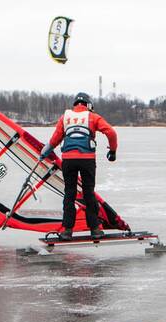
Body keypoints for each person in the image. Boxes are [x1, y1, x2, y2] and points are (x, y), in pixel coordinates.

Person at [40, 92, 118, 240]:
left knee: (69, 194)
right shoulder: (93, 117)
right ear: (88, 105)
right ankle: (95, 229)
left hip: (68, 160)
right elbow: (111, 132)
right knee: (88, 192)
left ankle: (67, 231)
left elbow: (54, 140)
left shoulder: (65, 118)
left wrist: (44, 153)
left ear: (75, 104)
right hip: (87, 160)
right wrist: (112, 151)